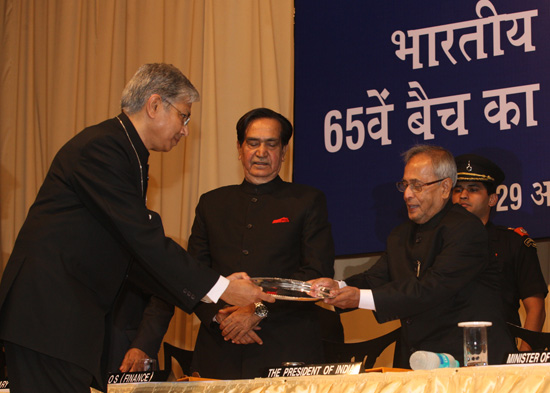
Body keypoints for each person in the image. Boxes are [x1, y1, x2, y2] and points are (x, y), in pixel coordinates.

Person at [0, 63, 274, 393]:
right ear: (155, 105)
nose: (185, 129)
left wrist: (211, 301)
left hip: (61, 322)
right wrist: (220, 287)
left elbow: (133, 256)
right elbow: (143, 240)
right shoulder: (103, 148)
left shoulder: (126, 151)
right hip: (48, 317)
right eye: (184, 116)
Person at [310, 145, 516, 368]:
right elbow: (375, 278)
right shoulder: (400, 235)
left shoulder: (467, 230)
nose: (407, 194)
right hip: (418, 363)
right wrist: (336, 287)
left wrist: (359, 297)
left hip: (468, 364)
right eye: (405, 185)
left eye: (417, 186)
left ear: (445, 187)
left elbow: (429, 289)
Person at [188, 107, 335, 379]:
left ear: (284, 150)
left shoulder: (307, 200)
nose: (261, 152)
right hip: (220, 346)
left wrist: (258, 309)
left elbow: (315, 272)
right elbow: (193, 273)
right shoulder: (211, 203)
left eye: (271, 144)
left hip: (286, 346)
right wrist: (221, 318)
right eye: (253, 143)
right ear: (239, 147)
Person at [452, 154, 547, 350]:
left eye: (473, 189)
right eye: (458, 189)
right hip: (445, 355)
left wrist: (522, 361)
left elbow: (535, 308)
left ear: (492, 199)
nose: (463, 195)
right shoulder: (437, 243)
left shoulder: (513, 243)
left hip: (498, 353)